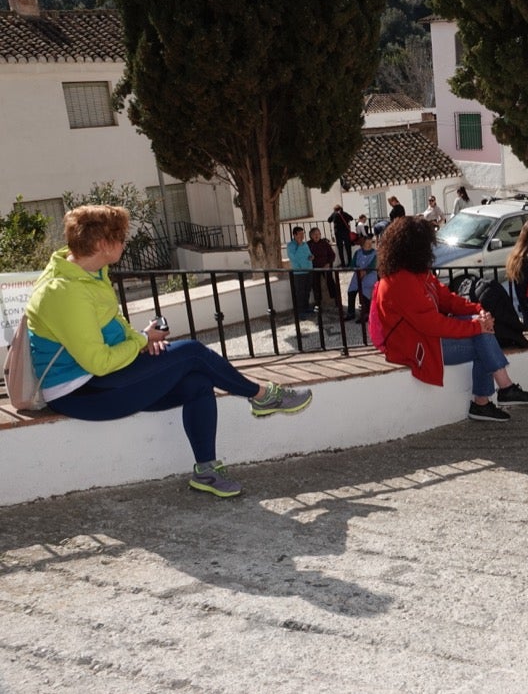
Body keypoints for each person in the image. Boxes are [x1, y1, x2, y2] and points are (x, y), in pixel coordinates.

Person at [24, 205, 313, 497]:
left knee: (199, 383)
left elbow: (111, 325)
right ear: (101, 244)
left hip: (104, 378)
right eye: (121, 238)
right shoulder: (64, 290)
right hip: (80, 392)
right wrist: (140, 340)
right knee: (192, 352)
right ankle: (262, 395)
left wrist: (144, 340)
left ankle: (207, 471)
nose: (125, 243)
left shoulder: (91, 272)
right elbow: (97, 362)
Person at [372, 217, 528, 422]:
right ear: (414, 247)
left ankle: (492, 398)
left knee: (481, 333)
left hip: (426, 337)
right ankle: (493, 396)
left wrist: (479, 311)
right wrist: (475, 326)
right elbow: (432, 323)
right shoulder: (400, 281)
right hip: (414, 347)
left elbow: (447, 300)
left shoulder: (417, 273)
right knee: (481, 338)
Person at [345, 231, 378, 322]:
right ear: (362, 244)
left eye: (370, 242)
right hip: (357, 274)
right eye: (367, 243)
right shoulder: (358, 252)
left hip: (370, 275)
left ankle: (366, 314)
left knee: (365, 294)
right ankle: (350, 313)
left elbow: (373, 265)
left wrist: (364, 272)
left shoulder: (376, 253)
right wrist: (356, 268)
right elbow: (352, 264)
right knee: (351, 292)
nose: (369, 245)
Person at [307, 227, 339, 309]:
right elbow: (306, 256)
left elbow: (332, 255)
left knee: (330, 282)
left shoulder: (325, 243)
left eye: (318, 234)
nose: (316, 236)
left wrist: (328, 263)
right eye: (314, 234)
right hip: (314, 267)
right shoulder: (308, 245)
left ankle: (337, 300)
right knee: (315, 284)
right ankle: (318, 302)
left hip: (326, 266)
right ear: (311, 236)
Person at [287, 226, 314, 319]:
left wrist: (311, 256)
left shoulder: (305, 244)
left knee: (307, 290)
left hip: (309, 270)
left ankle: (306, 307)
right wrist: (298, 245)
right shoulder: (291, 246)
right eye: (300, 234)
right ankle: (300, 311)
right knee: (300, 292)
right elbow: (294, 257)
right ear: (295, 235)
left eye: (303, 233)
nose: (302, 236)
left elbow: (309, 254)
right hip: (299, 272)